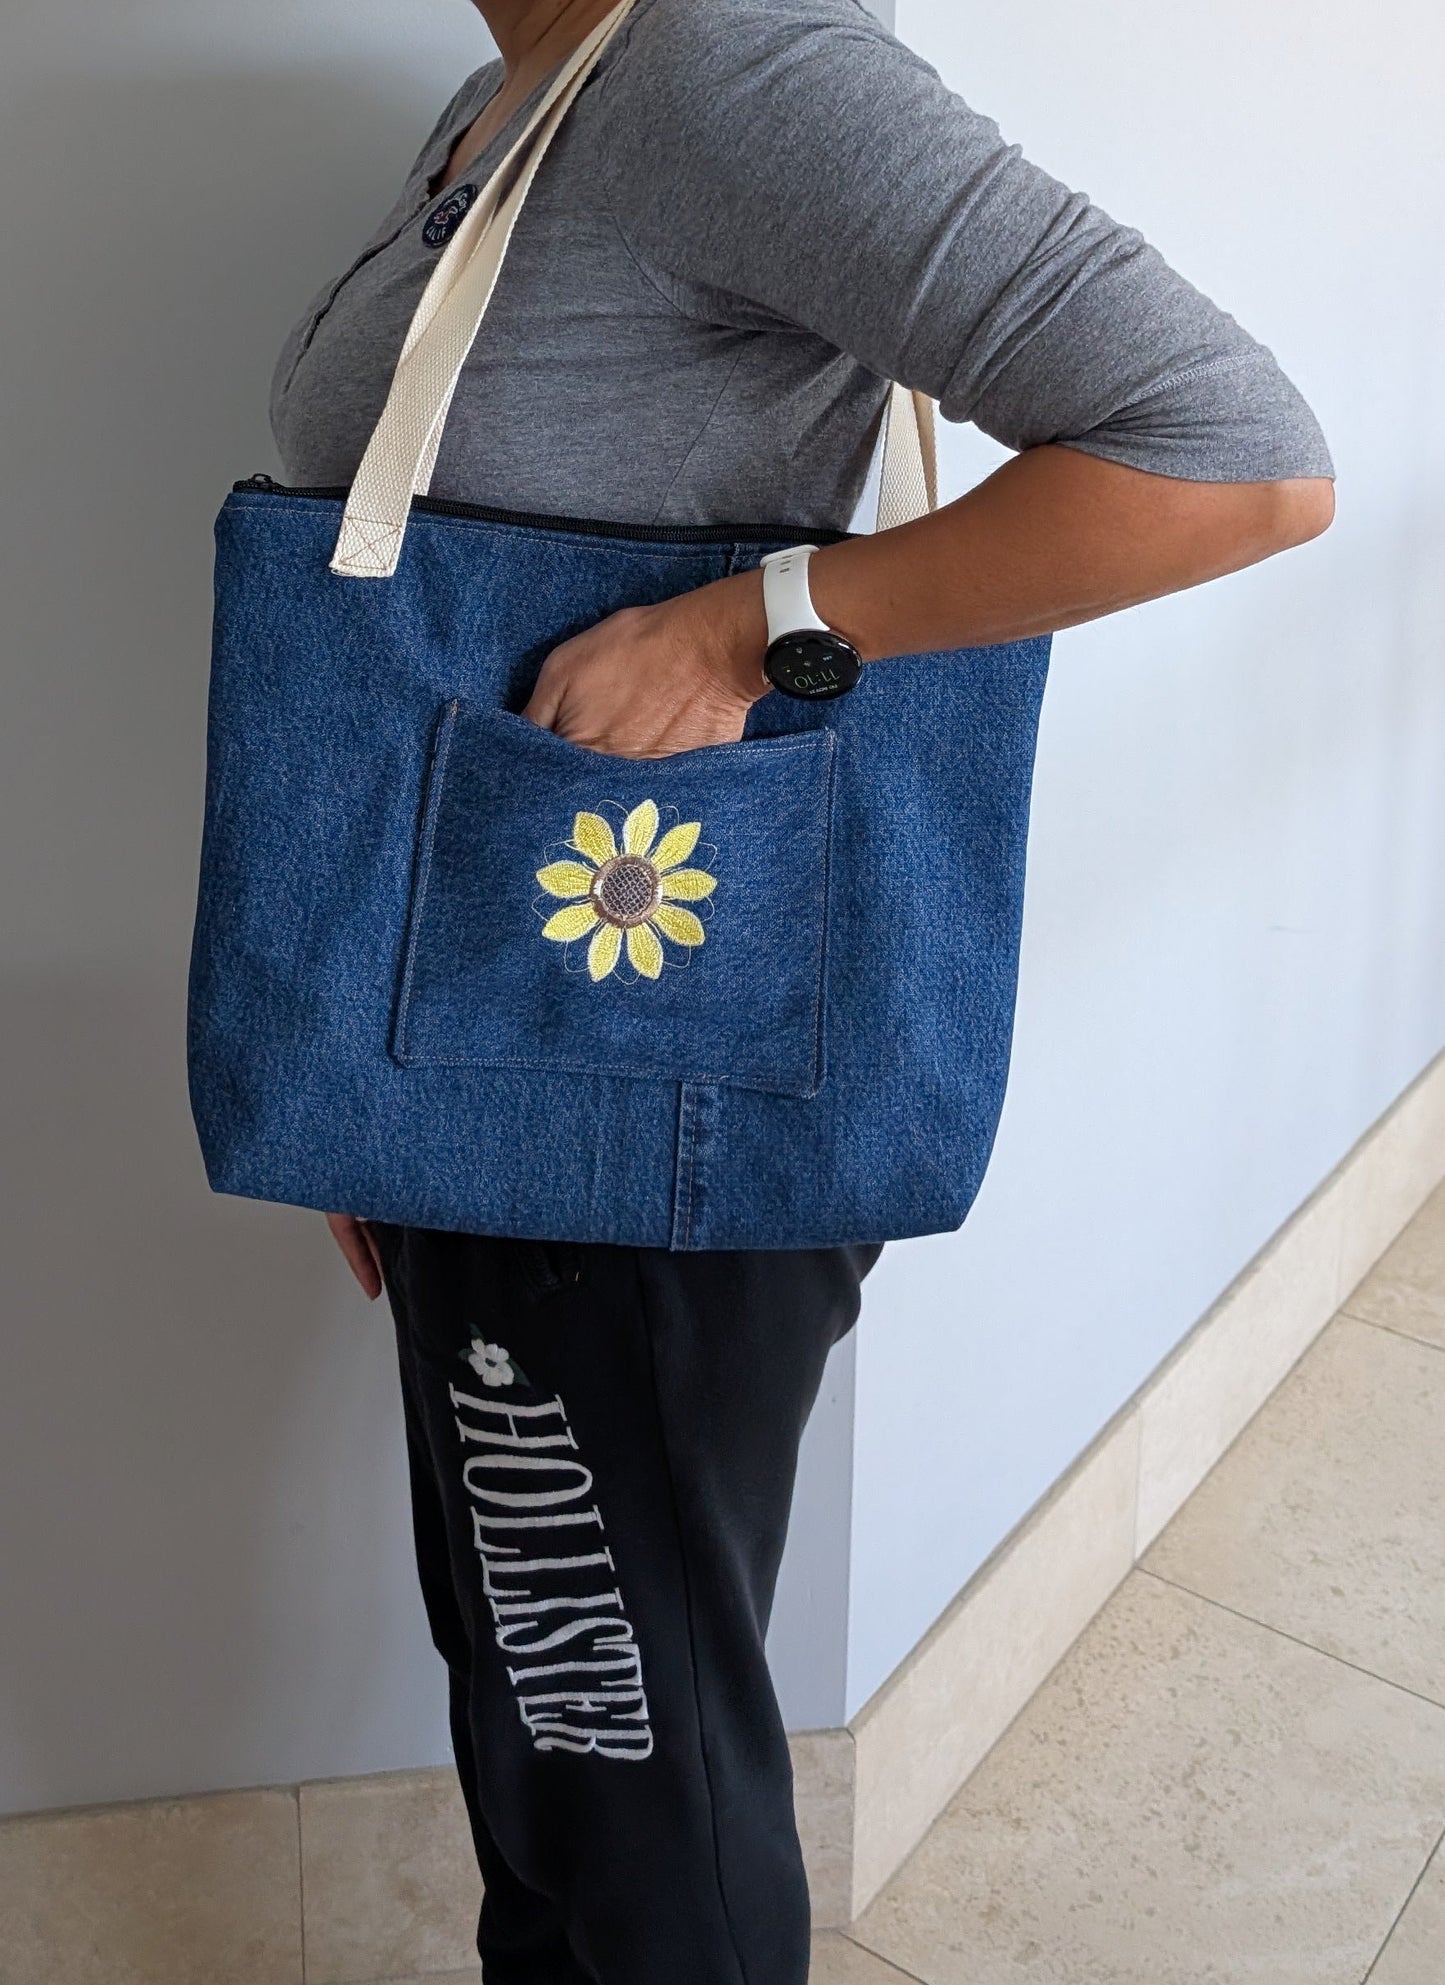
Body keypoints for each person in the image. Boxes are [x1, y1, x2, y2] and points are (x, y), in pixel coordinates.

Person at [268, 1, 1334, 1978]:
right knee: (544, 1693)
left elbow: (1237, 462)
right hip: (494, 1040)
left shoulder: (721, 67)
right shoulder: (507, 99)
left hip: (650, 1080)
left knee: (620, 1740)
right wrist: (369, 1063)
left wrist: (759, 633)